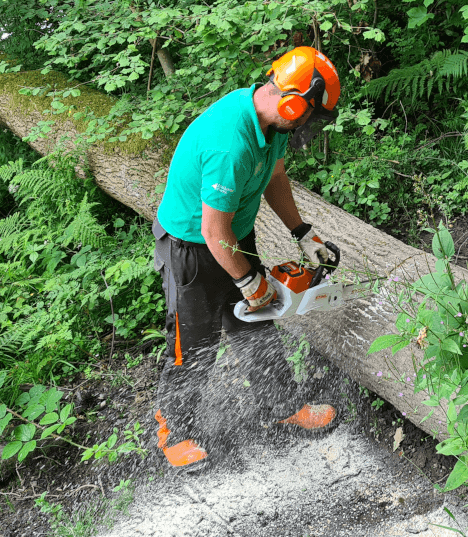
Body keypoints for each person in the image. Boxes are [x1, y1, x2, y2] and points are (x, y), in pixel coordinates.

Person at [152, 47, 341, 469]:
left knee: (258, 329)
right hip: (192, 249)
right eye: (309, 115)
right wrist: (248, 281)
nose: (308, 125)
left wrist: (302, 232)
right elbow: (211, 231)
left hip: (233, 237)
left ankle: (282, 407)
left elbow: (274, 176)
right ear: (293, 102)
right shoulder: (230, 144)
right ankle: (172, 431)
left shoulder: (272, 126)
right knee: (192, 345)